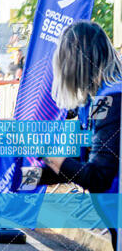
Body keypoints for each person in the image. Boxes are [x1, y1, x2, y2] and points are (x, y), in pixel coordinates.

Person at [38, 21, 121, 250]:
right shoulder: (96, 100)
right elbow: (78, 166)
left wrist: (44, 152)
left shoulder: (113, 99)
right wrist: (21, 177)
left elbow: (97, 177)